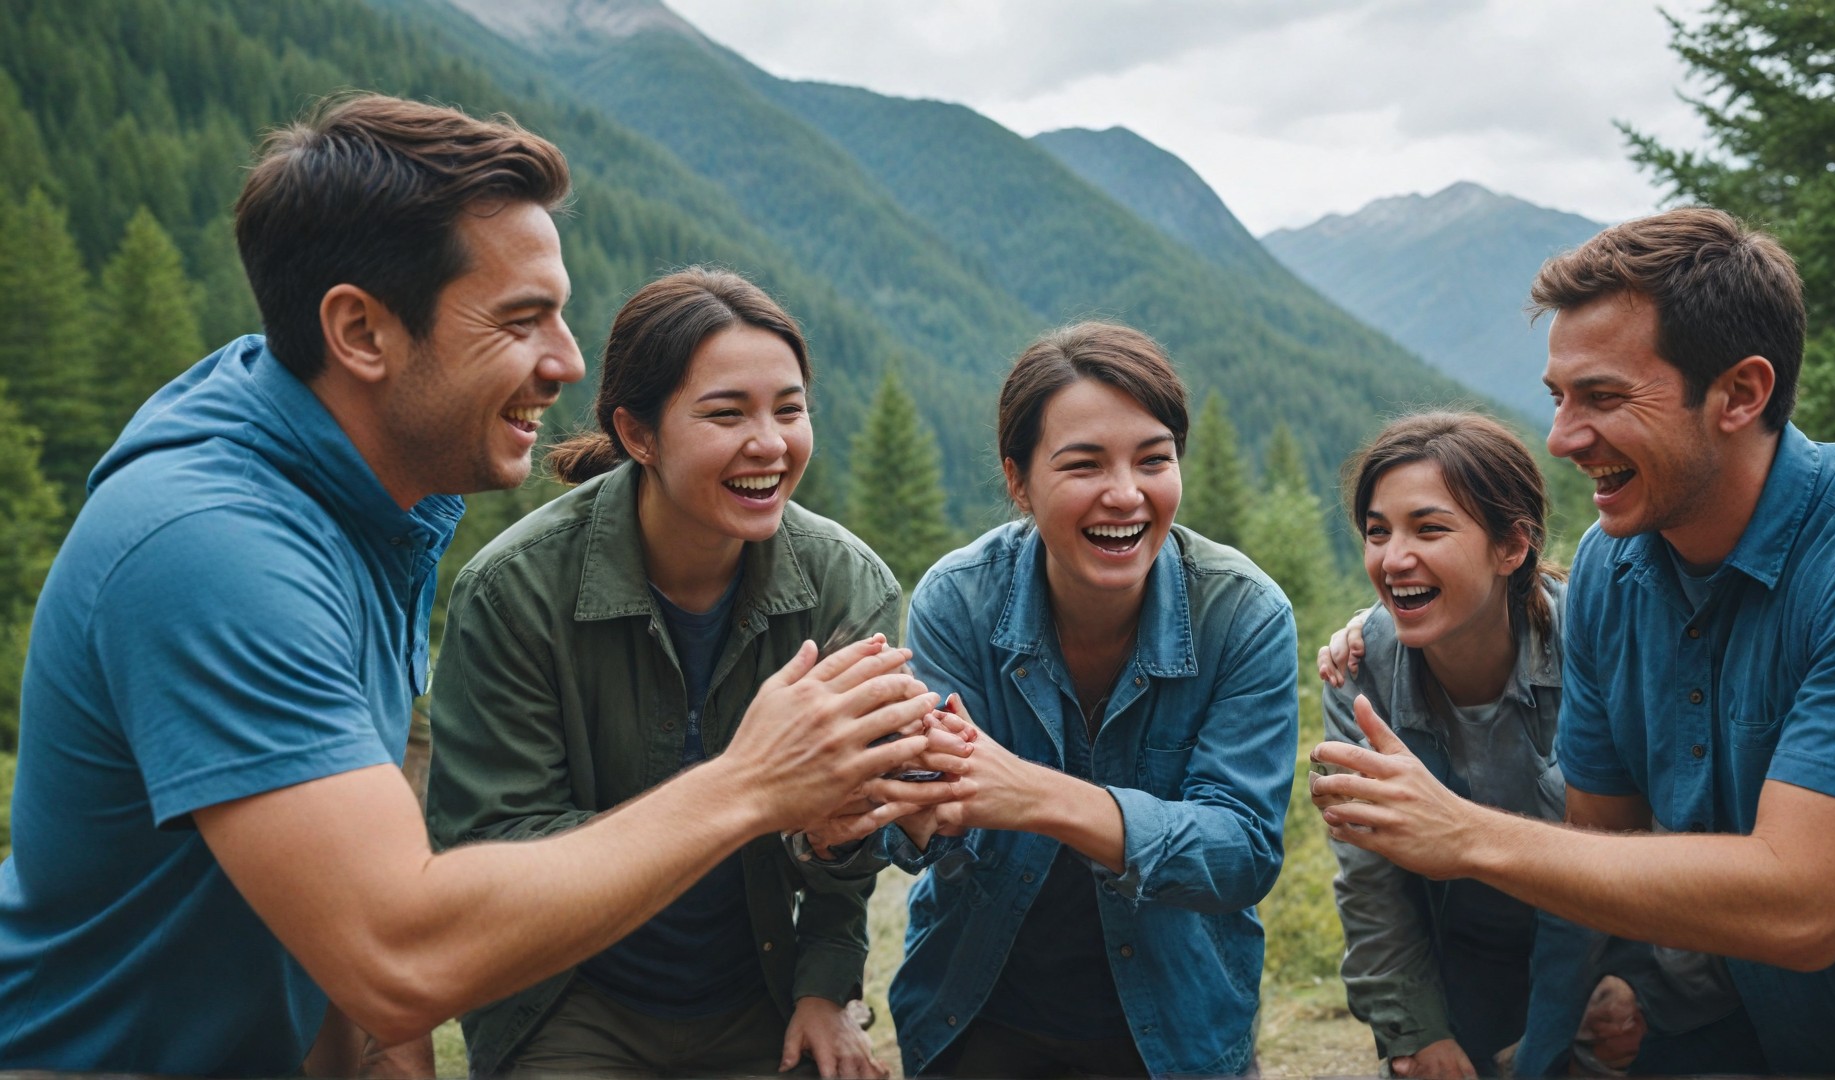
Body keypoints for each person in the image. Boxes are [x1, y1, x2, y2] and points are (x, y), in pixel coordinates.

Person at [0, 95, 949, 1076]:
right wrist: (752, 784)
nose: (569, 362)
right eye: (520, 320)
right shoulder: (217, 550)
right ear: (361, 333)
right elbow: (399, 951)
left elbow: (327, 895)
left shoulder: (352, 499)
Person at [1310, 207, 1835, 1073]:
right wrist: (1549, 1052)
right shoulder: (1610, 568)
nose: (1560, 439)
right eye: (1559, 397)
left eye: (1604, 397)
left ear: (1741, 394)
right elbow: (1598, 852)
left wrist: (1465, 833)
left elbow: (1805, 906)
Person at [425, 268, 951, 1078]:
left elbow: (851, 847)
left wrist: (827, 980)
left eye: (789, 408)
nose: (770, 444)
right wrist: (747, 788)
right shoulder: (516, 591)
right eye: (726, 413)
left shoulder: (848, 586)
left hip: (762, 989)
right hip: (570, 993)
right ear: (639, 434)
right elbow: (493, 852)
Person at [867, 322, 1298, 1078]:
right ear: (1018, 480)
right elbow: (931, 830)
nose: (1126, 494)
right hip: (979, 1013)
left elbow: (1241, 853)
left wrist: (1032, 794)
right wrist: (905, 813)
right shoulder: (959, 602)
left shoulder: (1242, 614)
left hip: (1180, 1030)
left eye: (1154, 460)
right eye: (1084, 464)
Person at [1315, 412, 1762, 1078]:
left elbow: (1686, 824)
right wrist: (1414, 1030)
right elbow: (1371, 879)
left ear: (1512, 547)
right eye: (1377, 532)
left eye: (1430, 528)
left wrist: (1653, 988)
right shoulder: (1360, 670)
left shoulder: (1605, 637)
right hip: (1468, 954)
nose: (1393, 558)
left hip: (1619, 942)